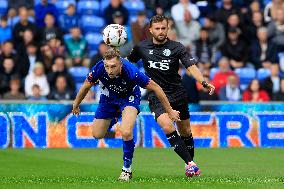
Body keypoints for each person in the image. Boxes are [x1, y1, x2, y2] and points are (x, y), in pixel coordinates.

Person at [71, 48, 180, 181]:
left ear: (121, 64)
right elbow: (86, 86)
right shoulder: (99, 68)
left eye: (113, 67)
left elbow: (156, 87)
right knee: (97, 134)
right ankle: (116, 117)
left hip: (129, 98)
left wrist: (170, 110)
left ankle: (126, 169)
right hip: (108, 99)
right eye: (107, 66)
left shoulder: (132, 72)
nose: (109, 70)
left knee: (126, 131)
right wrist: (76, 104)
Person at [127, 15, 215, 177]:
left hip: (178, 93)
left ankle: (190, 166)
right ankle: (191, 164)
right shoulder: (141, 47)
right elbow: (128, 64)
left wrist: (203, 82)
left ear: (168, 29)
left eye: (163, 28)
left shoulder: (177, 47)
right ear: (151, 30)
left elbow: (191, 67)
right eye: (157, 28)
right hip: (156, 95)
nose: (160, 31)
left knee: (186, 131)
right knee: (167, 126)